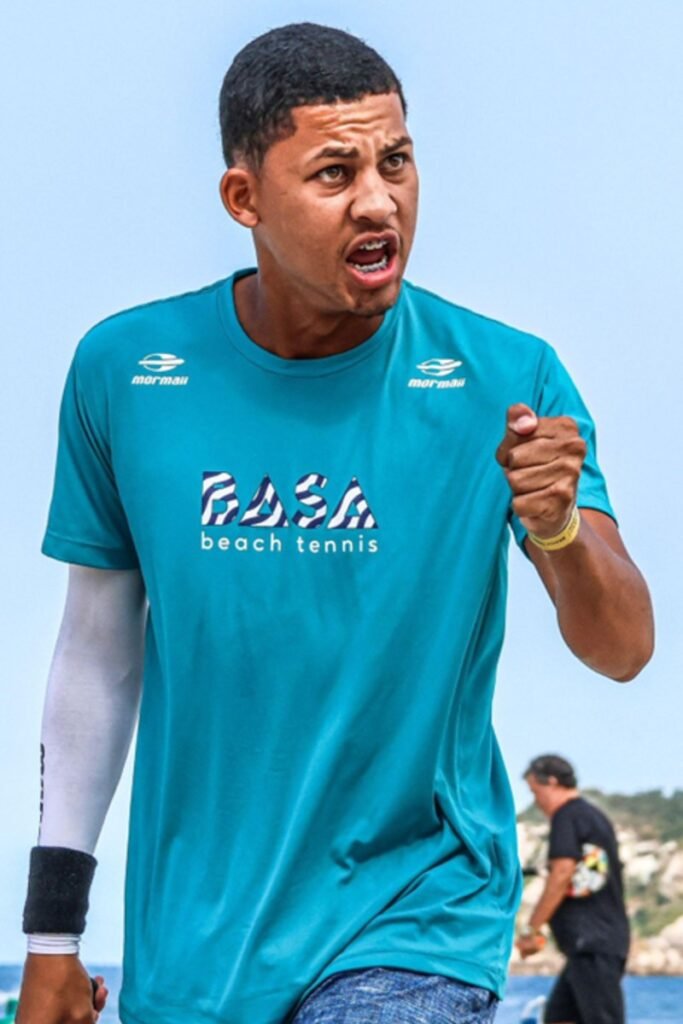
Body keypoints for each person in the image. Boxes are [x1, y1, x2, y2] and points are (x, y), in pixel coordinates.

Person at [16, 21, 653, 1024]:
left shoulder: (506, 378)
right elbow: (96, 661)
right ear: (244, 199)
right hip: (195, 945)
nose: (378, 200)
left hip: (416, 915)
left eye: (396, 161)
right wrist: (52, 938)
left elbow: (622, 649)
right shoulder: (126, 372)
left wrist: (560, 527)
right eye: (333, 172)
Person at [518, 755, 630, 1024]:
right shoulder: (593, 817)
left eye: (535, 791)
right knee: (559, 1018)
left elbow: (562, 872)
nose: (536, 801)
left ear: (552, 782)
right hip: (590, 945)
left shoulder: (566, 816)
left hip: (592, 942)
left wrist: (532, 930)